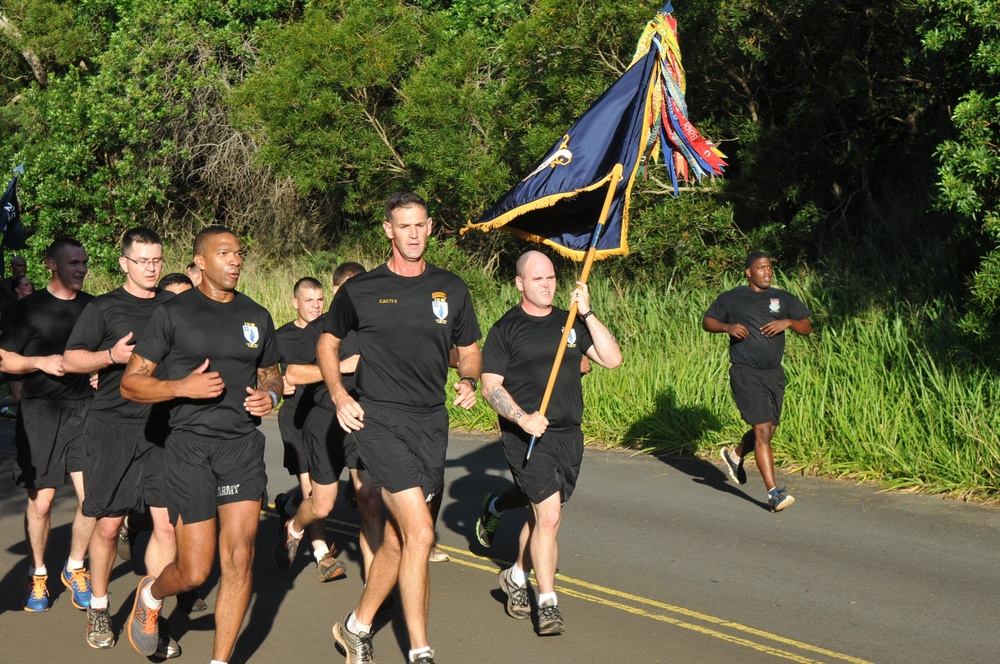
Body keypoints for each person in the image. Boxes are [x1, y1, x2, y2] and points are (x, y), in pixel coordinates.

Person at [321, 192, 481, 664]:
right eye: (403, 226)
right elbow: (327, 344)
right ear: (388, 231)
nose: (413, 234)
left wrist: (469, 379)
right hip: (378, 418)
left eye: (420, 225)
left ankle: (356, 626)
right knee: (421, 533)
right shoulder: (361, 290)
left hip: (431, 421)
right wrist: (339, 395)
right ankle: (420, 650)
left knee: (397, 540)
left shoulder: (451, 288)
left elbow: (469, 348)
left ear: (430, 228)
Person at [121, 226, 282, 662]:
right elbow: (131, 384)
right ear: (201, 262)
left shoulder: (257, 316)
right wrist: (181, 387)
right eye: (225, 253)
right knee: (195, 570)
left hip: (242, 447)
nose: (235, 260)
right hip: (190, 447)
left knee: (241, 556)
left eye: (239, 253)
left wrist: (269, 395)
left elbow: (272, 373)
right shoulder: (173, 313)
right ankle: (152, 595)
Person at [479, 250, 621, 636]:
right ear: (519, 283)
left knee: (541, 516)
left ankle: (515, 575)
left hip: (568, 435)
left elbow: (612, 359)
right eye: (537, 278)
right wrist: (522, 417)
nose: (547, 284)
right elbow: (490, 386)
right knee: (551, 516)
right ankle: (548, 602)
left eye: (552, 278)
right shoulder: (505, 329)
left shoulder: (569, 323)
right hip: (526, 436)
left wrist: (588, 313)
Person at [63, 227, 183, 652]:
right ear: (124, 264)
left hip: (161, 427)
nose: (151, 268)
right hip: (111, 426)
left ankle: (149, 615)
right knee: (110, 525)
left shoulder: (175, 305)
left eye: (157, 260)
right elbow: (72, 358)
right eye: (143, 261)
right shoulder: (104, 307)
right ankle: (99, 606)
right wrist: (109, 357)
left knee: (167, 526)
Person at [0, 238, 95, 613]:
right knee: (42, 504)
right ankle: (38, 573)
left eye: (84, 263)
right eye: (73, 263)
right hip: (41, 412)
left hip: (86, 412)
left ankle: (74, 566)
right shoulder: (28, 309)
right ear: (52, 265)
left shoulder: (93, 308)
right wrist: (39, 363)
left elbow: (103, 354)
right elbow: (5, 360)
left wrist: (101, 372)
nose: (81, 269)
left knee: (93, 499)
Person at [279, 262, 380, 583]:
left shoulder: (375, 327)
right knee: (322, 505)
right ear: (340, 291)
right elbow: (293, 374)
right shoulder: (321, 327)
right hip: (324, 422)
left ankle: (375, 580)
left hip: (363, 421)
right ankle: (295, 525)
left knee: (369, 500)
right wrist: (341, 367)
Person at [703, 251, 812, 512]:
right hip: (745, 373)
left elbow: (806, 326)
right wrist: (727, 328)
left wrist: (788, 322)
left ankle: (735, 454)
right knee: (763, 432)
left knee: (769, 431)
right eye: (761, 268)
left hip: (774, 374)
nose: (767, 272)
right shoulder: (733, 298)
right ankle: (774, 493)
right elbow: (708, 322)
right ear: (748, 272)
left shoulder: (782, 298)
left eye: (770, 267)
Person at [272, 276, 346, 581]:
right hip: (294, 417)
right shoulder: (280, 337)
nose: (315, 306)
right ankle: (320, 555)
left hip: (324, 415)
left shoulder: (331, 332)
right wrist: (279, 386)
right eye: (308, 301)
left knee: (315, 490)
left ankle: (289, 506)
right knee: (310, 489)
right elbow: (263, 374)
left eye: (319, 300)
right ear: (295, 303)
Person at [0, 273, 34, 418]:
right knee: (17, 397)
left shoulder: (37, 305)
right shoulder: (9, 310)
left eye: (30, 284)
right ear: (17, 290)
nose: (30, 286)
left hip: (31, 356)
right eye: (25, 285)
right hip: (12, 356)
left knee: (25, 396)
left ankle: (22, 434)